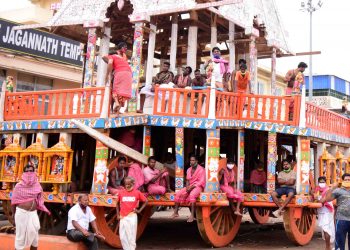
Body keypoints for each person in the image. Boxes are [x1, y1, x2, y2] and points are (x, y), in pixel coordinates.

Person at [11, 164, 51, 250]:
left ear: (34, 172)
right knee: (20, 237)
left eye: (31, 171)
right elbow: (13, 202)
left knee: (35, 236)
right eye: (27, 171)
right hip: (21, 213)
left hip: (33, 214)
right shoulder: (19, 186)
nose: (29, 172)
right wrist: (13, 215)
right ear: (24, 173)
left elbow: (40, 198)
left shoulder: (37, 185)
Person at [116, 176, 148, 250]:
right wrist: (117, 214)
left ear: (133, 183)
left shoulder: (137, 192)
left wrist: (139, 211)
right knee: (122, 237)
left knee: (131, 236)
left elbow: (146, 201)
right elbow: (117, 203)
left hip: (132, 216)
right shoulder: (121, 192)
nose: (127, 185)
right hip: (122, 217)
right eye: (126, 184)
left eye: (128, 184)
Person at [171, 155, 205, 222]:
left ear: (196, 161)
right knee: (178, 194)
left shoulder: (201, 169)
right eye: (190, 160)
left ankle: (192, 215)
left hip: (198, 186)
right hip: (190, 186)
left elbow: (201, 181)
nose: (191, 162)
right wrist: (187, 187)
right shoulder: (189, 169)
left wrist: (191, 187)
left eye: (193, 160)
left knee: (192, 195)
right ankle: (176, 212)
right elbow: (187, 180)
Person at [103, 42, 132, 115]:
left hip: (119, 73)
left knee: (115, 90)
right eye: (124, 47)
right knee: (122, 92)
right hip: (127, 73)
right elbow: (106, 59)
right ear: (119, 49)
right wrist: (112, 67)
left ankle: (116, 105)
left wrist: (107, 75)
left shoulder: (123, 56)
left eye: (126, 47)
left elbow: (109, 62)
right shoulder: (115, 55)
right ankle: (116, 111)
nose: (126, 49)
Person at [322, 173, 350, 250]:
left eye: (349, 180)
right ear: (343, 181)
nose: (347, 181)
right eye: (346, 180)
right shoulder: (338, 190)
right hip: (341, 220)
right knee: (340, 243)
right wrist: (332, 188)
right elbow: (327, 199)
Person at [313, 176, 335, 250]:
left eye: (323, 182)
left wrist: (317, 198)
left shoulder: (327, 190)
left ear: (325, 182)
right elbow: (313, 196)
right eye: (320, 182)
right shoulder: (317, 189)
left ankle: (327, 247)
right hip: (321, 211)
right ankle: (328, 247)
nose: (321, 183)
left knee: (326, 229)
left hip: (327, 211)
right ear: (318, 182)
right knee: (325, 229)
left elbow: (322, 201)